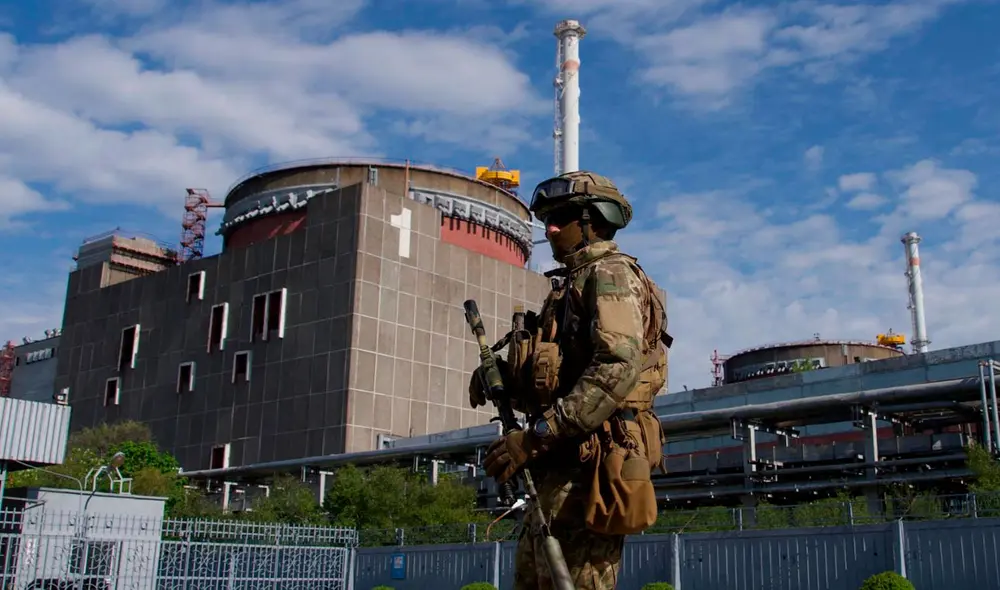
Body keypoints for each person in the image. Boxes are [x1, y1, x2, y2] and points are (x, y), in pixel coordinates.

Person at [468, 170, 672, 590]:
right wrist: (505, 378)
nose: (550, 229)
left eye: (561, 218)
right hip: (560, 465)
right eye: (547, 219)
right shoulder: (570, 286)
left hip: (591, 468)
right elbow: (561, 378)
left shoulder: (610, 275)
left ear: (592, 221)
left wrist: (538, 435)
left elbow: (617, 366)